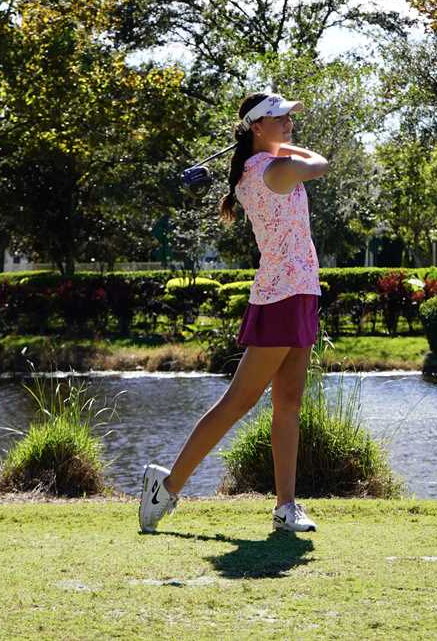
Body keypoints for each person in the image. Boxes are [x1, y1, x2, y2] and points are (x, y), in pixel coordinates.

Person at [139, 92, 328, 534]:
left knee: (289, 403)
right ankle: (166, 487)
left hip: (300, 291)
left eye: (288, 118)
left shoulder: (259, 166)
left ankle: (286, 506)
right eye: (280, 119)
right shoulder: (268, 171)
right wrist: (287, 148)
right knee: (237, 403)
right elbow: (320, 164)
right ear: (258, 127)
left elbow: (300, 158)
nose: (289, 124)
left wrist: (275, 142)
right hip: (281, 296)